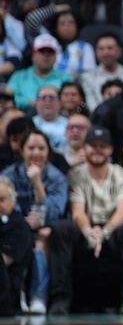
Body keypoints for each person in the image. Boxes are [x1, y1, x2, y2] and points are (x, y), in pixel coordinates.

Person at [47, 127, 123, 314]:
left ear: (110, 150)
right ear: (84, 148)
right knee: (61, 229)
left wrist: (105, 232)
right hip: (86, 228)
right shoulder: (76, 174)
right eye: (93, 146)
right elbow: (77, 211)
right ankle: (60, 297)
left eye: (103, 146)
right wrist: (89, 232)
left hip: (114, 228)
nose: (98, 150)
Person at [1, 129, 68, 314]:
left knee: (41, 238)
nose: (36, 153)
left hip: (44, 228)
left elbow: (55, 212)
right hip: (14, 227)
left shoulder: (57, 178)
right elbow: (4, 206)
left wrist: (38, 184)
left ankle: (39, 296)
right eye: (31, 148)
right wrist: (22, 222)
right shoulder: (9, 175)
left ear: (48, 152)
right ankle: (18, 293)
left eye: (41, 148)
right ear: (22, 151)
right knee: (20, 234)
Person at [8, 34, 74, 111]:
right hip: (23, 117)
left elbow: (77, 102)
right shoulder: (18, 77)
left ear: (56, 57)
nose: (46, 55)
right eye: (42, 51)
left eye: (50, 52)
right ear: (33, 55)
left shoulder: (66, 79)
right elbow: (8, 98)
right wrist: (28, 103)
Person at [0, 176, 32, 315]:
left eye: (1, 200)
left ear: (13, 202)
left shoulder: (19, 227)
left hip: (6, 295)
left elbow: (4, 261)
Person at [80, 33, 123, 111]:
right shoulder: (87, 77)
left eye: (110, 48)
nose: (106, 53)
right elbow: (92, 107)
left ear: (119, 51)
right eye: (101, 49)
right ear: (96, 52)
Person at [32, 85, 68, 154]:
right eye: (43, 98)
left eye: (52, 98)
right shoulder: (30, 124)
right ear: (36, 102)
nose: (47, 101)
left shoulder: (69, 124)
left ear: (60, 102)